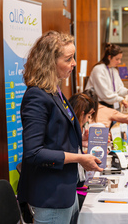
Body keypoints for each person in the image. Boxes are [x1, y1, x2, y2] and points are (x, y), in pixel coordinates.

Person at [17, 31, 103, 224]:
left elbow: (55, 138)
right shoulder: (37, 97)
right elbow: (34, 153)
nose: (73, 63)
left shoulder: (54, 91)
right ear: (49, 63)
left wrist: (80, 141)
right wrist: (80, 158)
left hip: (65, 191)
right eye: (68, 59)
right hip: (50, 197)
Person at [85, 43, 128, 110]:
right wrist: (121, 99)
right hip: (97, 106)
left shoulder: (113, 70)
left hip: (109, 105)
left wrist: (127, 91)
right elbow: (105, 94)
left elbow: (118, 89)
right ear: (109, 57)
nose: (119, 62)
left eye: (120, 59)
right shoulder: (98, 69)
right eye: (117, 59)